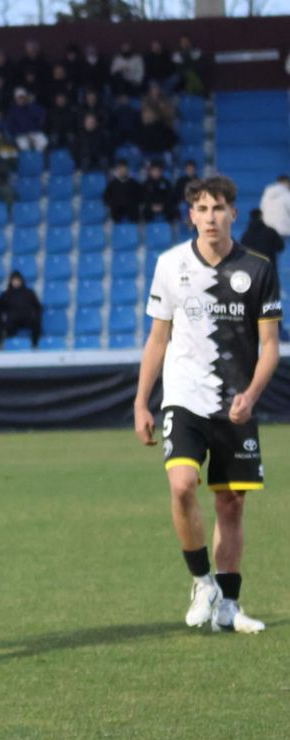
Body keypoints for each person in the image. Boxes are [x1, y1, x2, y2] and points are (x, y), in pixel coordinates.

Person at [134, 176, 281, 633]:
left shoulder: (258, 268)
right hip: (183, 398)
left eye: (218, 208)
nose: (211, 216)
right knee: (181, 486)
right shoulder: (170, 265)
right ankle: (201, 581)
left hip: (236, 402)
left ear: (233, 213)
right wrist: (142, 402)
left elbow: (271, 344)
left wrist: (251, 395)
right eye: (202, 208)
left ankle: (229, 606)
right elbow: (157, 339)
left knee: (231, 504)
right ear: (190, 216)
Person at [0, 270, 42, 347]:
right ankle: (9, 346)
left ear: (21, 280)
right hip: (13, 320)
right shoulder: (5, 294)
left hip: (26, 319)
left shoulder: (29, 292)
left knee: (36, 324)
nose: (16, 282)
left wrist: (36, 317)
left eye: (18, 280)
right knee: (4, 327)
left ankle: (35, 345)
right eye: (14, 280)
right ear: (11, 281)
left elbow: (38, 307)